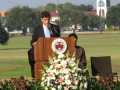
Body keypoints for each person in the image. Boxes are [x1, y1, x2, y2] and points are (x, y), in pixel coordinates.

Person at [28, 11, 61, 78]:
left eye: (48, 19)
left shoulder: (55, 27)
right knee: (31, 53)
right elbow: (33, 41)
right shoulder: (37, 29)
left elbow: (59, 39)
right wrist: (35, 43)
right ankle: (35, 75)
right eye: (45, 19)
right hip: (41, 51)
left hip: (53, 51)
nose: (47, 21)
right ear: (41, 19)